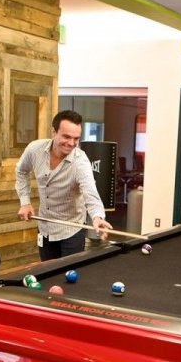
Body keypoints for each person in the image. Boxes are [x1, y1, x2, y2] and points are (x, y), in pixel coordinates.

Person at [15, 110, 113, 261]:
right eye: (67, 137)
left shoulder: (80, 162)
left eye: (76, 138)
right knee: (48, 270)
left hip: (71, 231)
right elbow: (21, 171)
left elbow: (90, 192)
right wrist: (25, 202)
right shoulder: (34, 149)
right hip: (45, 227)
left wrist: (97, 216)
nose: (72, 143)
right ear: (54, 132)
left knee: (70, 272)